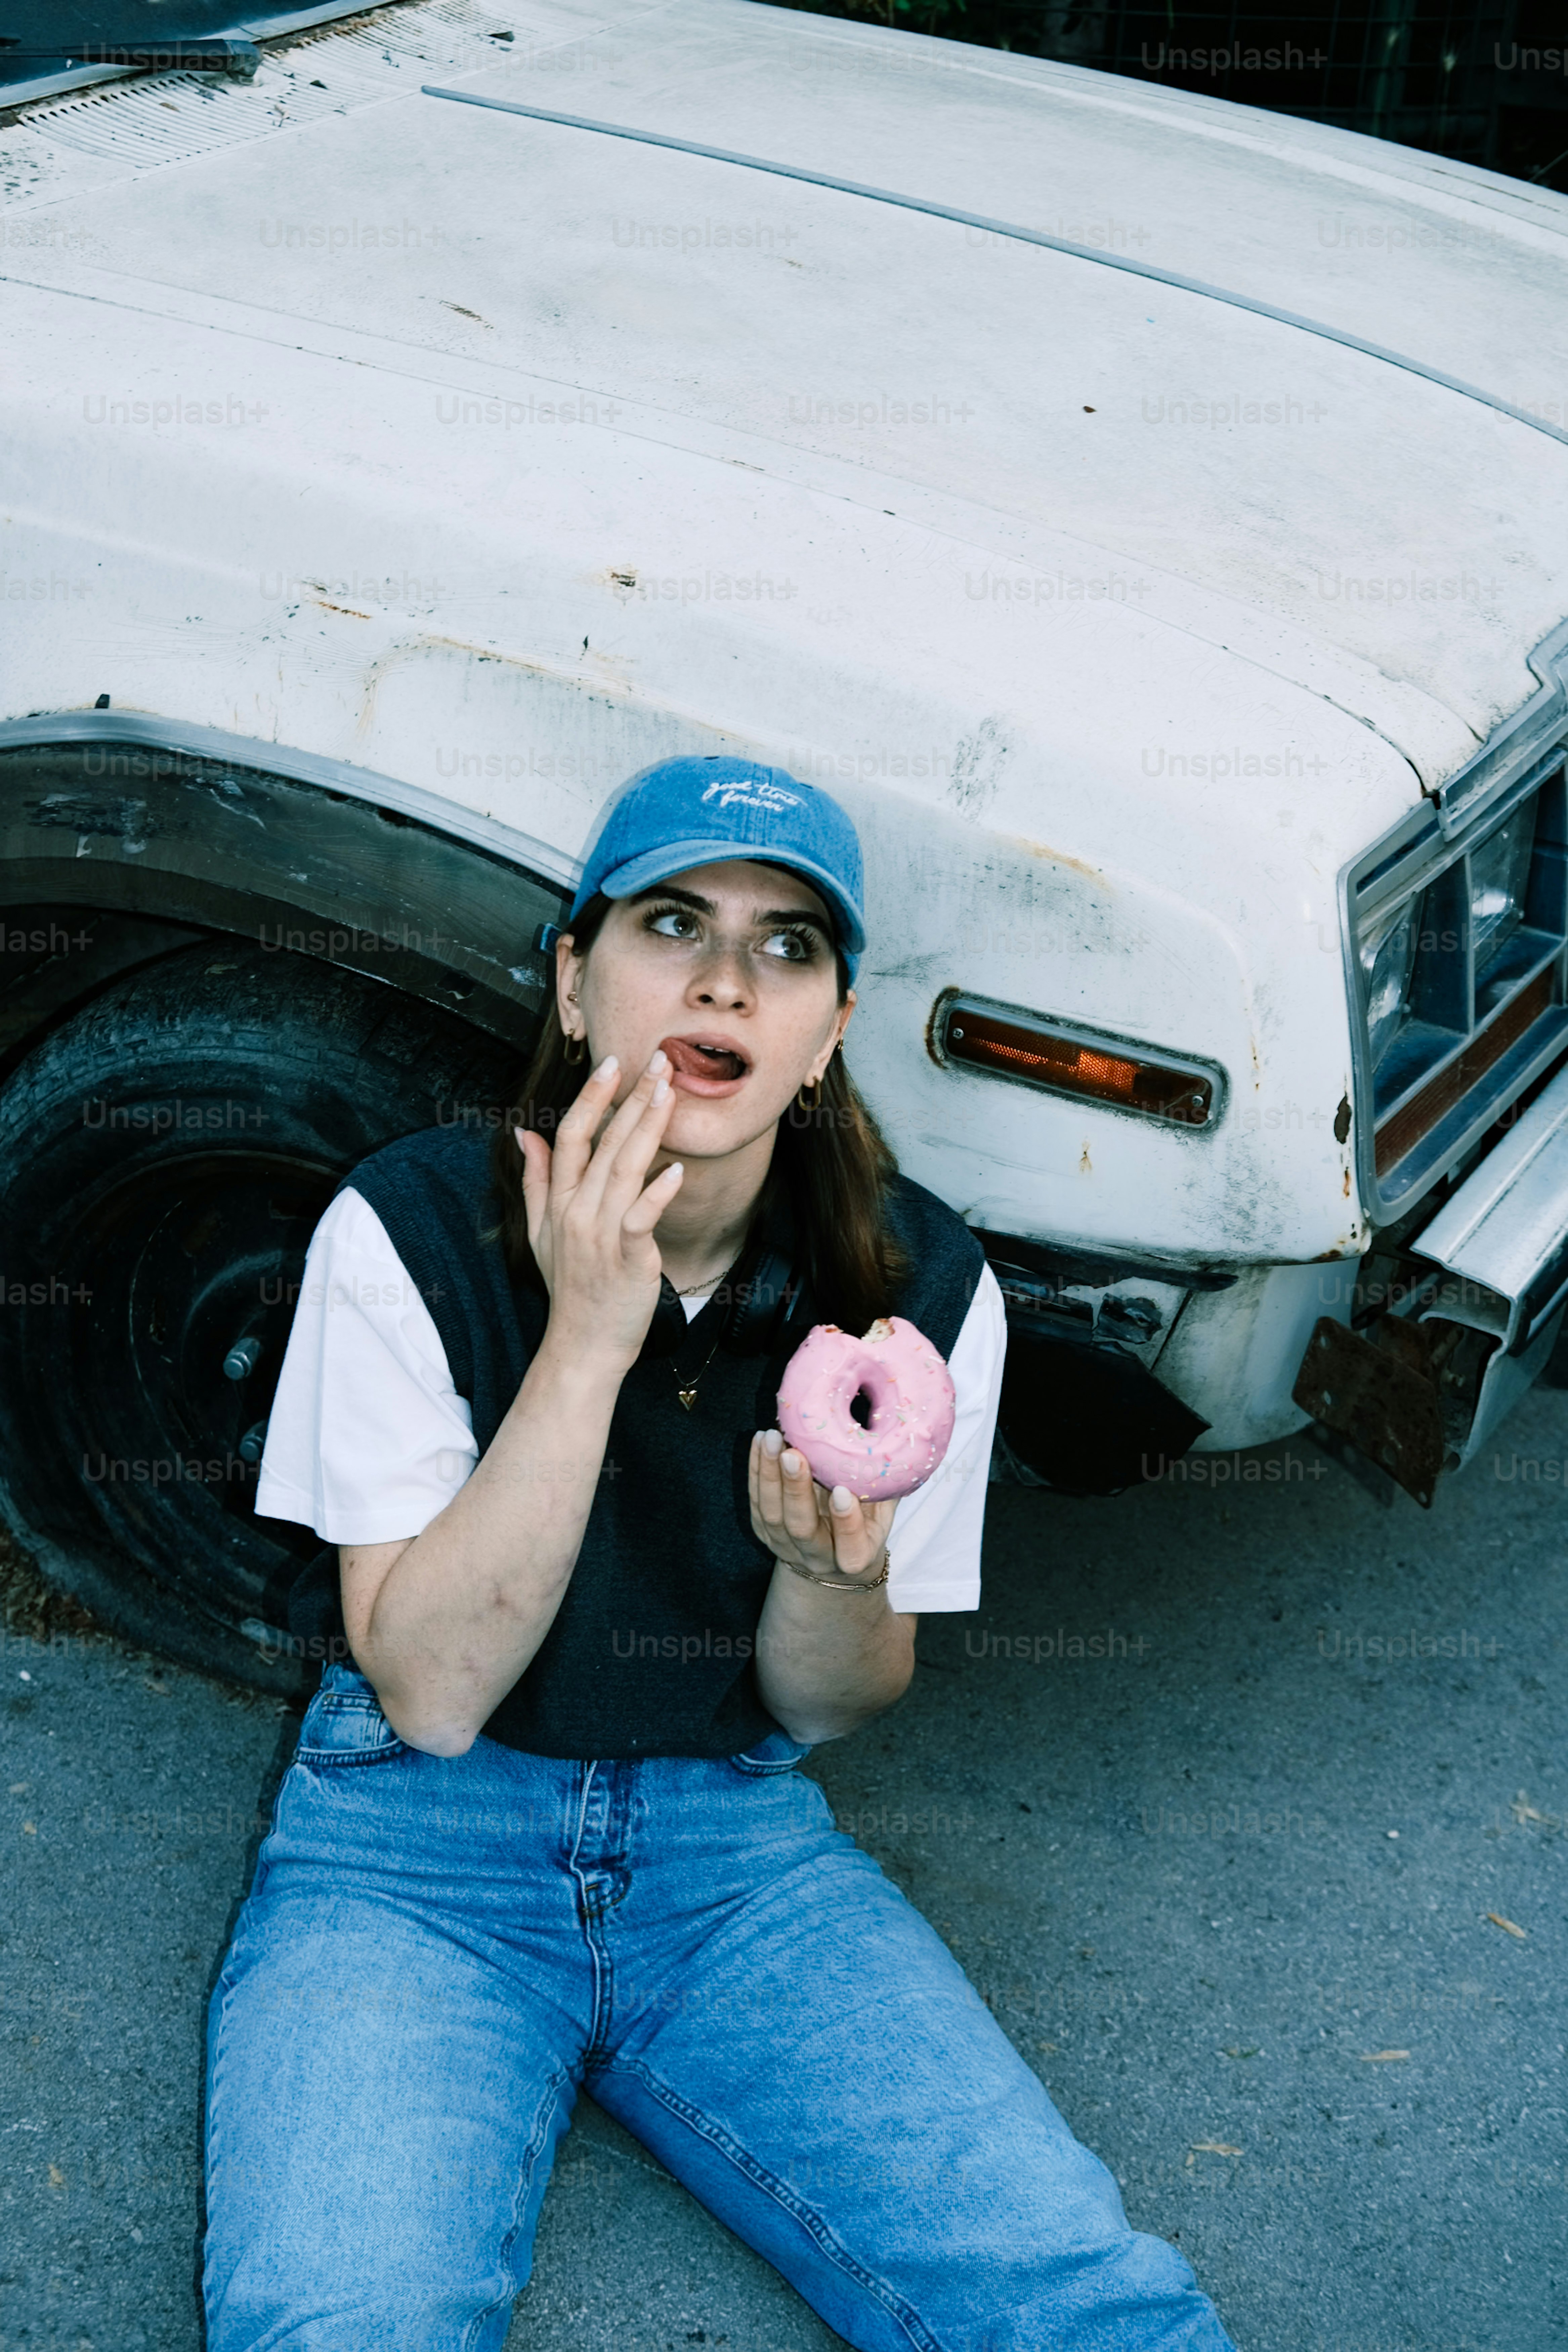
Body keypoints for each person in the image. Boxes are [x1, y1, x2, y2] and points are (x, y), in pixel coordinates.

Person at [204, 754, 1237, 2350]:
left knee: (1089, 2303)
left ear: (827, 1034)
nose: (723, 976)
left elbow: (825, 1708)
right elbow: (429, 1690)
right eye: (673, 920)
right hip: (415, 1856)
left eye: (786, 945)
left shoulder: (915, 1292)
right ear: (572, 976)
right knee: (344, 2327)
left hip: (729, 1850)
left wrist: (833, 1575)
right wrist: (586, 1345)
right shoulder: (404, 1231)